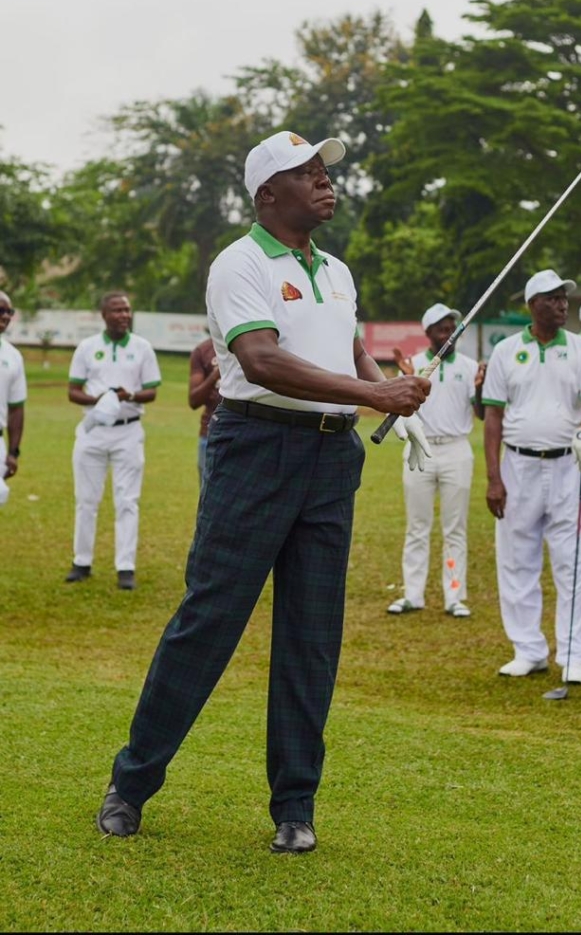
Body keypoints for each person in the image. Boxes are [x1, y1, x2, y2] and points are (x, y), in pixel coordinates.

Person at [96, 129, 432, 853]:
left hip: (328, 460)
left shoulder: (336, 272)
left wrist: (388, 391)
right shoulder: (238, 263)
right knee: (209, 621)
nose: (324, 182)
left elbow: (346, 349)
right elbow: (264, 361)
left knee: (312, 636)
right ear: (266, 194)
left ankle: (294, 805)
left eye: (324, 171)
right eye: (304, 173)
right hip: (255, 448)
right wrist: (374, 397)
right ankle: (132, 783)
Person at [482, 268, 581, 679]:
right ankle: (528, 650)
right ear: (532, 304)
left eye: (563, 297)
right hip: (518, 466)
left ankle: (574, 655)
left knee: (573, 563)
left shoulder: (580, 348)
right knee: (516, 560)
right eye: (552, 298)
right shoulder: (507, 351)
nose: (561, 304)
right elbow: (493, 417)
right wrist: (493, 478)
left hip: (568, 467)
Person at [387, 303, 486, 618]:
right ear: (428, 332)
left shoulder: (470, 367)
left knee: (454, 527)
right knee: (418, 526)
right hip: (420, 448)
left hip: (457, 450)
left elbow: (481, 414)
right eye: (442, 328)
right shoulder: (413, 365)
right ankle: (412, 594)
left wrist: (481, 389)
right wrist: (405, 381)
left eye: (452, 327)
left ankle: (454, 595)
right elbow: (400, 412)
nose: (449, 333)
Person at [66, 292, 162, 590]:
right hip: (93, 429)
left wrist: (127, 395)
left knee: (127, 501)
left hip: (129, 431)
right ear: (104, 315)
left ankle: (125, 567)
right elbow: (73, 391)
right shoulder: (87, 347)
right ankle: (82, 562)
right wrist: (99, 400)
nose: (124, 315)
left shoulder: (142, 347)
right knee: (86, 500)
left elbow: (152, 391)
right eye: (117, 310)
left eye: (127, 310)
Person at [0, 290, 27, 506]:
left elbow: (16, 407)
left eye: (9, 311)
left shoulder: (12, 356)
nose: (6, 316)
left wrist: (13, 452)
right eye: (1, 311)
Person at [188, 334, 221, 495]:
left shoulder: (250, 344)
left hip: (246, 432)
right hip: (210, 433)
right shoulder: (203, 350)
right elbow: (194, 400)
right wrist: (216, 374)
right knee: (207, 494)